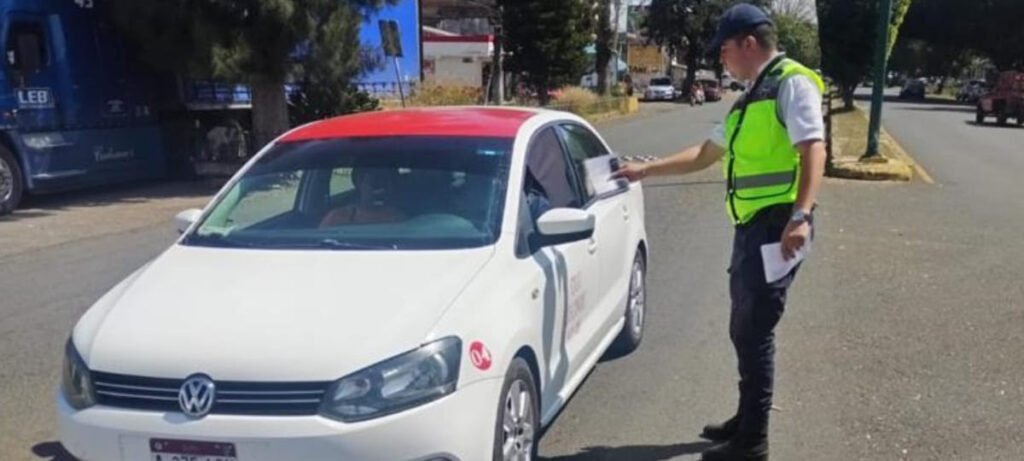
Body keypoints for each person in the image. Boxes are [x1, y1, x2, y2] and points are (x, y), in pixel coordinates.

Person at [614, 4, 826, 460]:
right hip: (752, 227)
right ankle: (745, 418)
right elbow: (706, 154)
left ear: (748, 43)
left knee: (755, 330)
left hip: (778, 225)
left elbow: (814, 148)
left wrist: (802, 215)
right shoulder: (750, 97)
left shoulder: (791, 83)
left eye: (724, 49)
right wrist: (646, 170)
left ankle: (753, 442)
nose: (721, 58)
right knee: (742, 327)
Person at [319, 162, 406, 227]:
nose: (379, 188)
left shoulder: (398, 219)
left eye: (384, 181)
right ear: (359, 182)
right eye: (374, 182)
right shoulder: (337, 218)